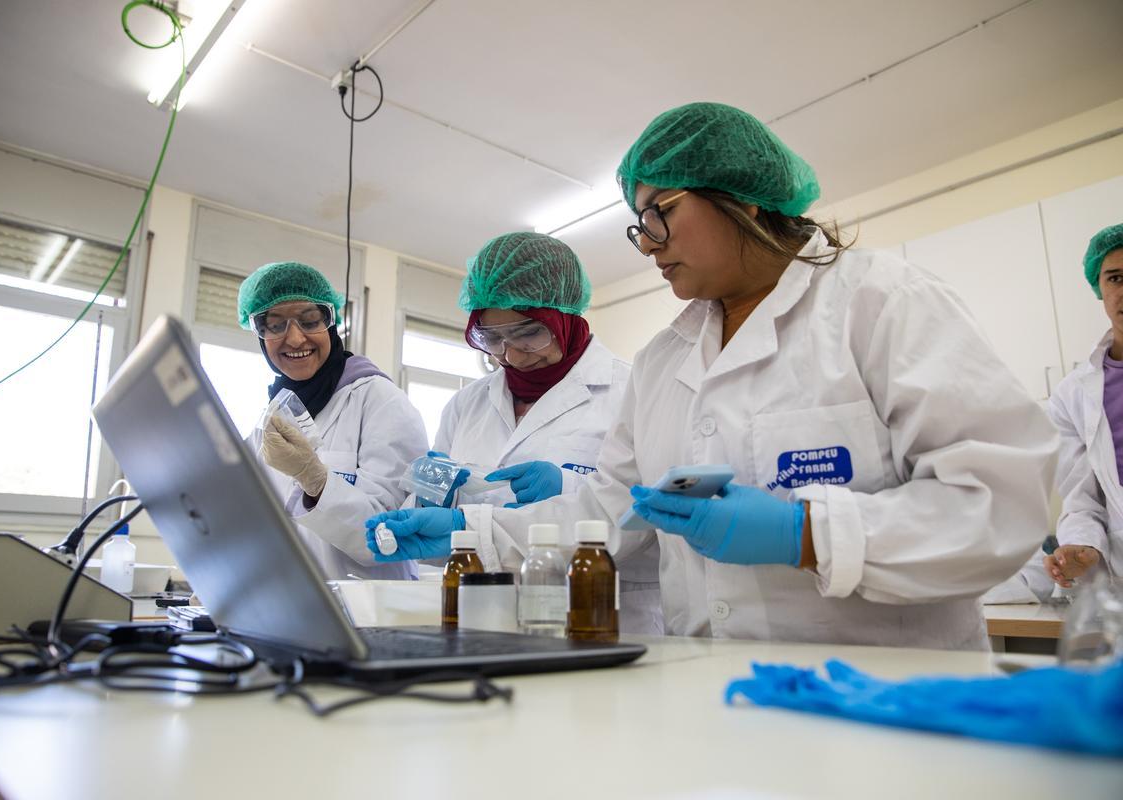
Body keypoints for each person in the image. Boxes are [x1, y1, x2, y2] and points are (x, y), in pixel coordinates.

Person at [366, 103, 1058, 649]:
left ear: (744, 199)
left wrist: (805, 533)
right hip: (712, 693)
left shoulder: (881, 303)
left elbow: (1000, 501)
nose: (647, 246)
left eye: (659, 213)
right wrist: (470, 527)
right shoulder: (666, 360)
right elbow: (605, 513)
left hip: (888, 698)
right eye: (638, 226)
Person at [414, 232, 662, 633]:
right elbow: (441, 530)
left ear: (563, 318)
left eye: (529, 333)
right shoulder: (466, 404)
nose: (509, 355)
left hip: (599, 618)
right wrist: (428, 496)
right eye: (492, 338)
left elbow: (644, 514)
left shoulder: (629, 390)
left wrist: (568, 485)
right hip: (485, 615)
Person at [238, 261, 427, 580]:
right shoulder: (272, 418)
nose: (295, 339)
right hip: (294, 612)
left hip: (368, 616)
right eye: (274, 325)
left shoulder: (380, 402)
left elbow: (389, 538)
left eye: (310, 320)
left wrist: (316, 481)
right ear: (259, 334)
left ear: (331, 322)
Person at [1046, 223, 1123, 589]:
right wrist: (1083, 547)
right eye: (1115, 277)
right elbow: (1081, 499)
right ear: (1100, 288)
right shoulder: (1071, 395)